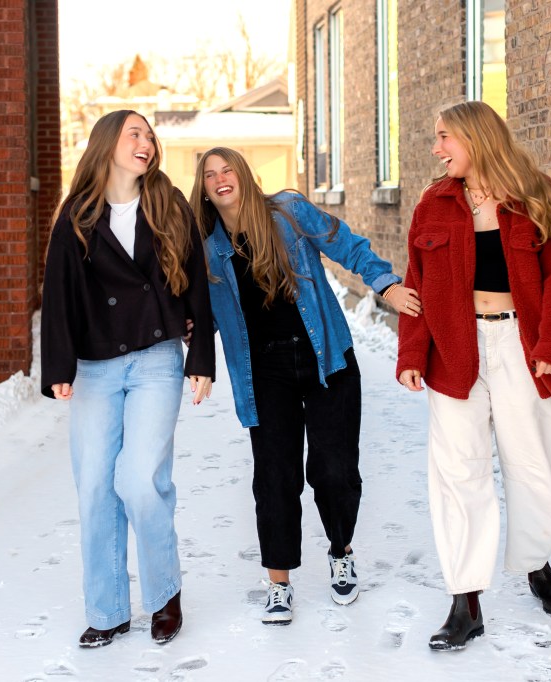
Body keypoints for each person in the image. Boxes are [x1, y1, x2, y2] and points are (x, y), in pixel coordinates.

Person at [190, 147, 421, 625]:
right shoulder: (207, 246)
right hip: (264, 371)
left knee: (334, 468)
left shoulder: (289, 214)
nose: (220, 179)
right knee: (275, 478)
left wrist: (385, 283)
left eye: (227, 168)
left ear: (245, 173)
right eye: (210, 175)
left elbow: (347, 244)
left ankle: (341, 549)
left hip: (325, 357)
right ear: (205, 189)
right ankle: (278, 584)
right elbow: (205, 314)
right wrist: (194, 351)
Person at [396, 101, 551, 651]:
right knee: (458, 471)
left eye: (444, 137)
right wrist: (412, 353)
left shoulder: (537, 197)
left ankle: (536, 564)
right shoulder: (433, 204)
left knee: (539, 461)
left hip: (521, 346)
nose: (436, 149)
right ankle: (466, 599)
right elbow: (416, 285)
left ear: (476, 139)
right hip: (455, 347)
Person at [40, 110, 214, 648]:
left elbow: (198, 283)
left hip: (156, 359)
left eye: (149, 134)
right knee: (94, 486)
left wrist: (202, 355)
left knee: (140, 480)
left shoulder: (167, 203)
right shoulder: (77, 213)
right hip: (94, 366)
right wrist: (58, 367)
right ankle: (108, 609)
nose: (146, 141)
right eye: (134, 132)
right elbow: (59, 292)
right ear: (108, 143)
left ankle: (164, 596)